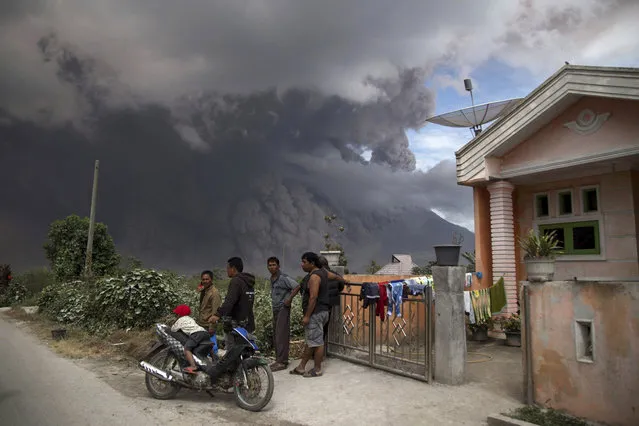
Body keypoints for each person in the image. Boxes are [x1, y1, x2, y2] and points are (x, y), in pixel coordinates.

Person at [290, 251, 347, 378]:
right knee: (312, 340)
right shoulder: (324, 273)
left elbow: (313, 298)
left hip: (316, 313)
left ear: (312, 263)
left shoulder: (314, 277)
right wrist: (344, 282)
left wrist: (307, 316)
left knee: (317, 342)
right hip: (324, 311)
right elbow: (337, 277)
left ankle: (317, 369)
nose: (302, 265)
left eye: (304, 262)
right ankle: (301, 367)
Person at [206, 257, 256, 382]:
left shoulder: (236, 281)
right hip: (247, 323)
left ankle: (230, 379)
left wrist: (217, 315)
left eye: (227, 268)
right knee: (242, 353)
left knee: (231, 353)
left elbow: (230, 302)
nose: (227, 271)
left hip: (235, 326)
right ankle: (240, 378)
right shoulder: (249, 282)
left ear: (233, 269)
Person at [267, 256, 300, 372]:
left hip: (283, 308)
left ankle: (282, 362)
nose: (272, 267)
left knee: (281, 334)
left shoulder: (283, 277)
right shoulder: (272, 278)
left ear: (278, 266)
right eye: (270, 265)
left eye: (274, 265)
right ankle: (279, 359)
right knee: (276, 334)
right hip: (275, 308)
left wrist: (289, 299)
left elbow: (296, 286)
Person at [170, 304, 211, 374]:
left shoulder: (180, 320)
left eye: (177, 314)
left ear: (179, 314)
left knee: (186, 349)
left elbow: (173, 329)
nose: (176, 315)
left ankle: (193, 366)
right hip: (205, 333)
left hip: (196, 334)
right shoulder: (190, 319)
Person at [318, 255, 345, 358]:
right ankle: (323, 353)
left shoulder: (319, 275)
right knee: (325, 329)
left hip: (320, 305)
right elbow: (341, 284)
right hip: (331, 303)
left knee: (318, 331)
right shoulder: (335, 274)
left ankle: (318, 355)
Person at [197, 270, 222, 334]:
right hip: (201, 324)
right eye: (203, 279)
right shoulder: (204, 290)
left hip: (208, 326)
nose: (205, 281)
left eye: (207, 279)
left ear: (211, 280)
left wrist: (212, 327)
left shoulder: (214, 293)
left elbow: (215, 311)